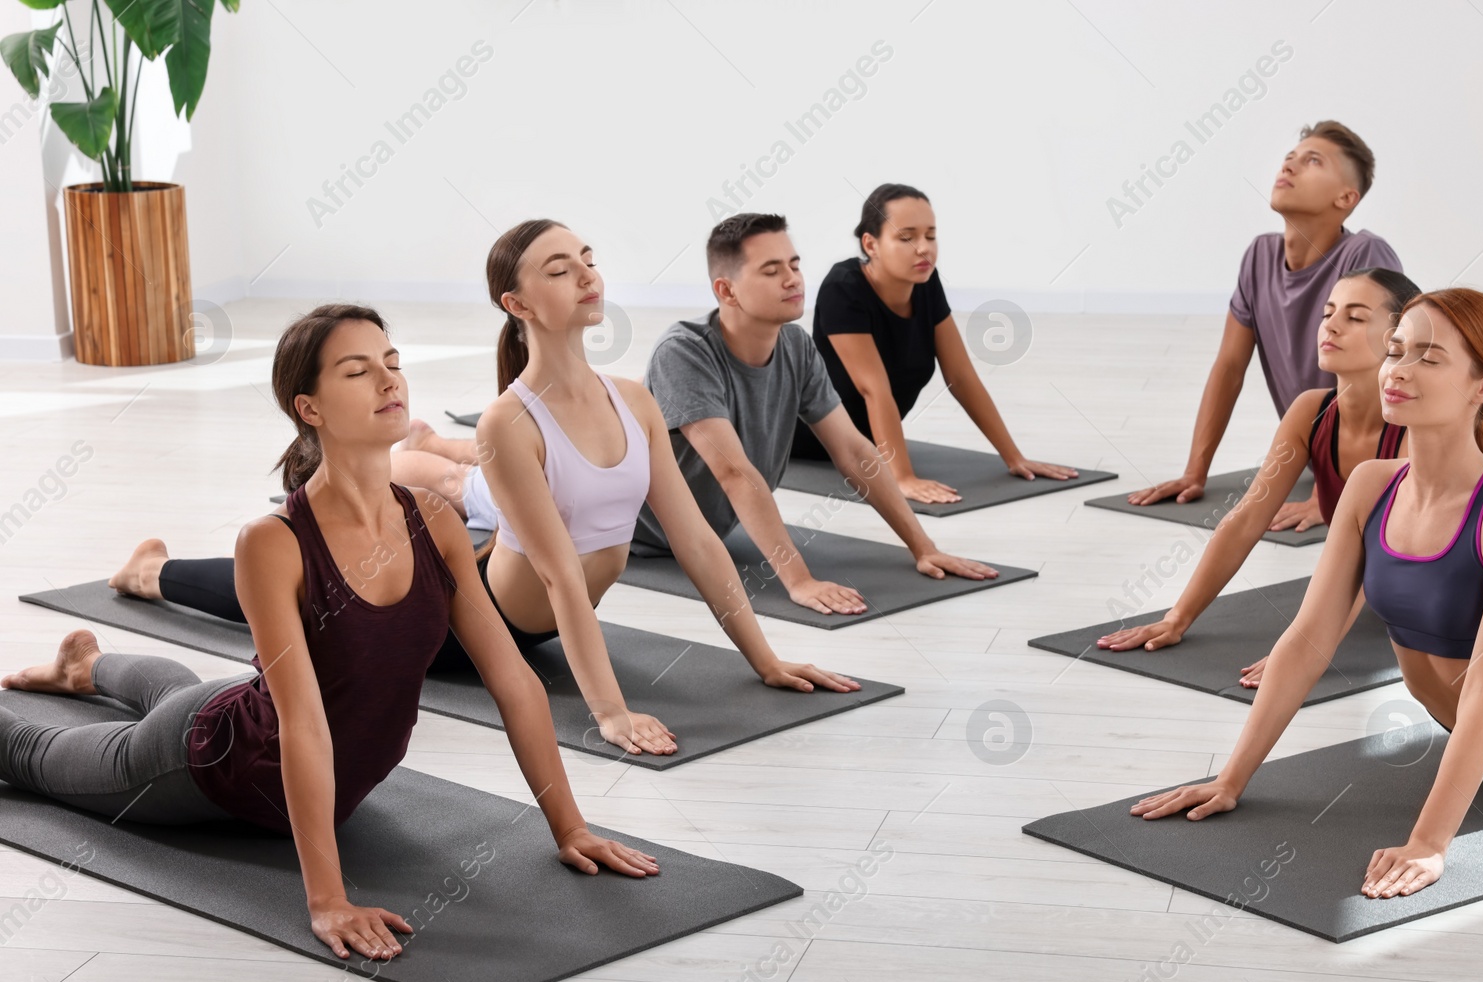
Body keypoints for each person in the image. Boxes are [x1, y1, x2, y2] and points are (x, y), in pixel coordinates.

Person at [1, 304, 658, 963]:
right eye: (357, 370)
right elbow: (303, 726)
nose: (388, 380)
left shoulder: (434, 519)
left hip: (268, 734)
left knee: (185, 693)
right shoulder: (274, 542)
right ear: (309, 407)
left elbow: (514, 680)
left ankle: (84, 669)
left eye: (392, 363)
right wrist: (327, 897)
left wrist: (568, 824)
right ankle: (81, 678)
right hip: (217, 766)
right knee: (32, 753)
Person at [109, 222, 858, 757]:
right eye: (560, 269)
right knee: (310, 597)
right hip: (465, 625)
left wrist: (765, 658)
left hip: (509, 587)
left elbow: (695, 539)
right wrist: (610, 712)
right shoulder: (510, 420)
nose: (587, 275)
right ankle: (152, 573)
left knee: (391, 541)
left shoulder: (634, 399)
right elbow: (563, 575)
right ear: (518, 303)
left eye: (587, 259)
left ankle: (381, 484)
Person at [1132, 288, 1483, 901]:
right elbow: (1306, 640)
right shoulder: (1371, 486)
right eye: (1396, 351)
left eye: (1429, 359)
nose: (1399, 371)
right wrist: (1231, 779)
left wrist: (1430, 845)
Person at [1098, 268, 1483, 689]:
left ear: (1396, 335)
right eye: (1328, 313)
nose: (1331, 326)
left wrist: (1306, 652)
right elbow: (1247, 517)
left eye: (1355, 317)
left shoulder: (1412, 429)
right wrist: (1178, 616)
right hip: (1478, 437)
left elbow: (1374, 558)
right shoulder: (1312, 412)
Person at [630, 212, 999, 616]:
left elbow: (854, 452)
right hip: (617, 536)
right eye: (771, 271)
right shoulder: (684, 352)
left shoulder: (796, 346)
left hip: (698, 535)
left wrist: (924, 548)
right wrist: (799, 581)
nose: (792, 279)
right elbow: (734, 473)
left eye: (794, 265)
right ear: (726, 290)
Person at [1127, 121, 1403, 525]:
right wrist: (1195, 471)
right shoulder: (1260, 256)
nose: (1289, 166)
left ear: (1346, 197)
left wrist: (1335, 495)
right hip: (1332, 454)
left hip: (1433, 439)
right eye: (1290, 157)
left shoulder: (1364, 254)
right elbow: (1229, 367)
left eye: (1312, 161)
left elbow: (1389, 369)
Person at [788, 183, 1076, 504]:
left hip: (866, 439)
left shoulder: (924, 280)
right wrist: (902, 478)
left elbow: (961, 377)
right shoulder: (843, 288)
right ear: (871, 244)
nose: (923, 248)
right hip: (802, 434)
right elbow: (874, 389)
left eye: (930, 235)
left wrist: (1014, 457)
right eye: (906, 237)